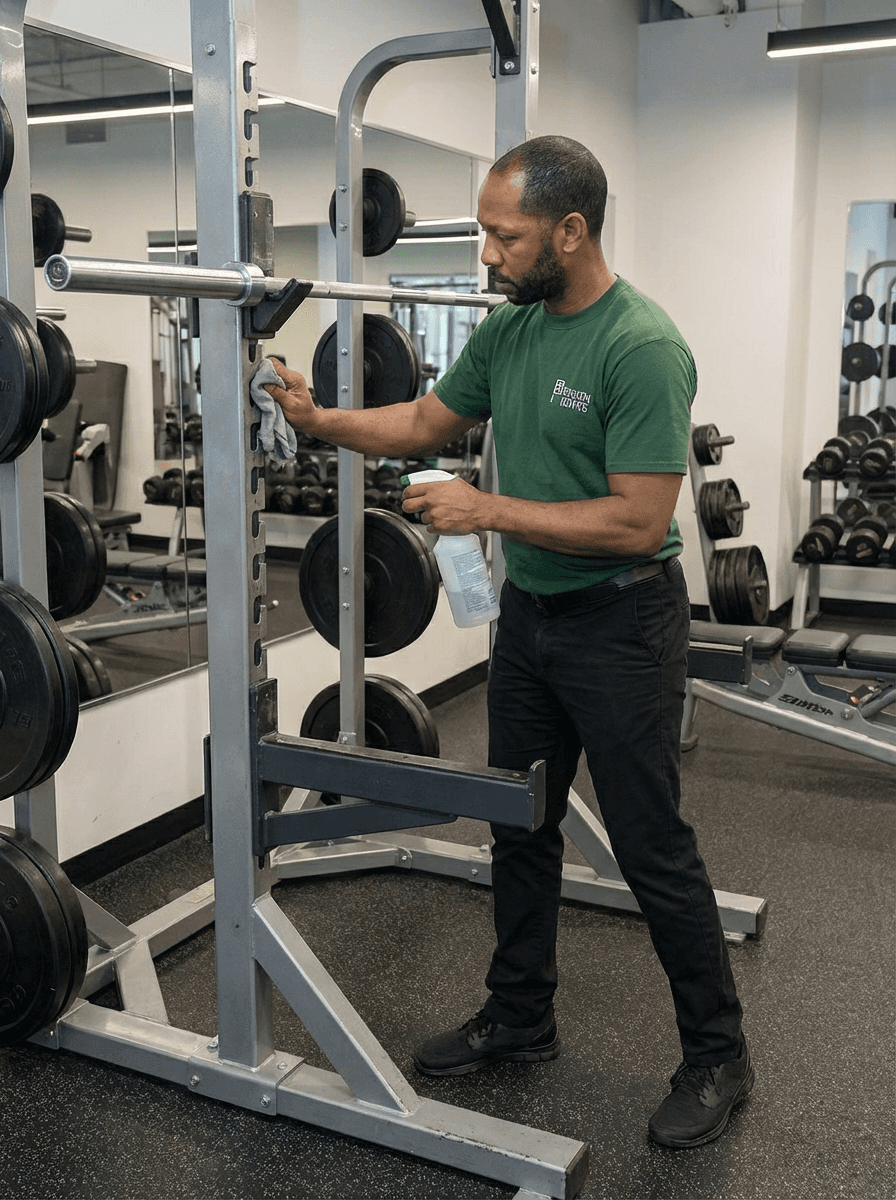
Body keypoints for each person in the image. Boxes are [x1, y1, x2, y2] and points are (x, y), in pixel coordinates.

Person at [263, 135, 752, 1150]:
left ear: (568, 233)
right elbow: (420, 421)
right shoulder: (513, 329)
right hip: (532, 624)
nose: (486, 253)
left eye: (503, 234)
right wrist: (320, 420)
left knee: (651, 847)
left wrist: (487, 510)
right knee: (517, 826)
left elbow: (632, 520)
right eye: (485, 232)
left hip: (620, 620)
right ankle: (519, 1016)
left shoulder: (639, 346)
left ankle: (716, 1056)